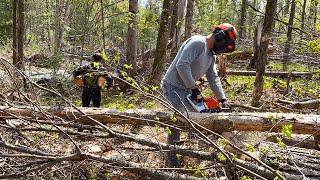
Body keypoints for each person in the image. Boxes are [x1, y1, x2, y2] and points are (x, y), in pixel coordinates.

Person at [162, 23, 237, 167]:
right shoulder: (197, 43)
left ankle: (195, 154)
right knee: (181, 119)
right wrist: (193, 87)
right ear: (220, 36)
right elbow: (182, 65)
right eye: (225, 44)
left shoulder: (211, 56)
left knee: (201, 115)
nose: (222, 49)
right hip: (172, 86)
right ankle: (172, 162)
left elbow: (213, 78)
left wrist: (222, 99)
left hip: (187, 89)